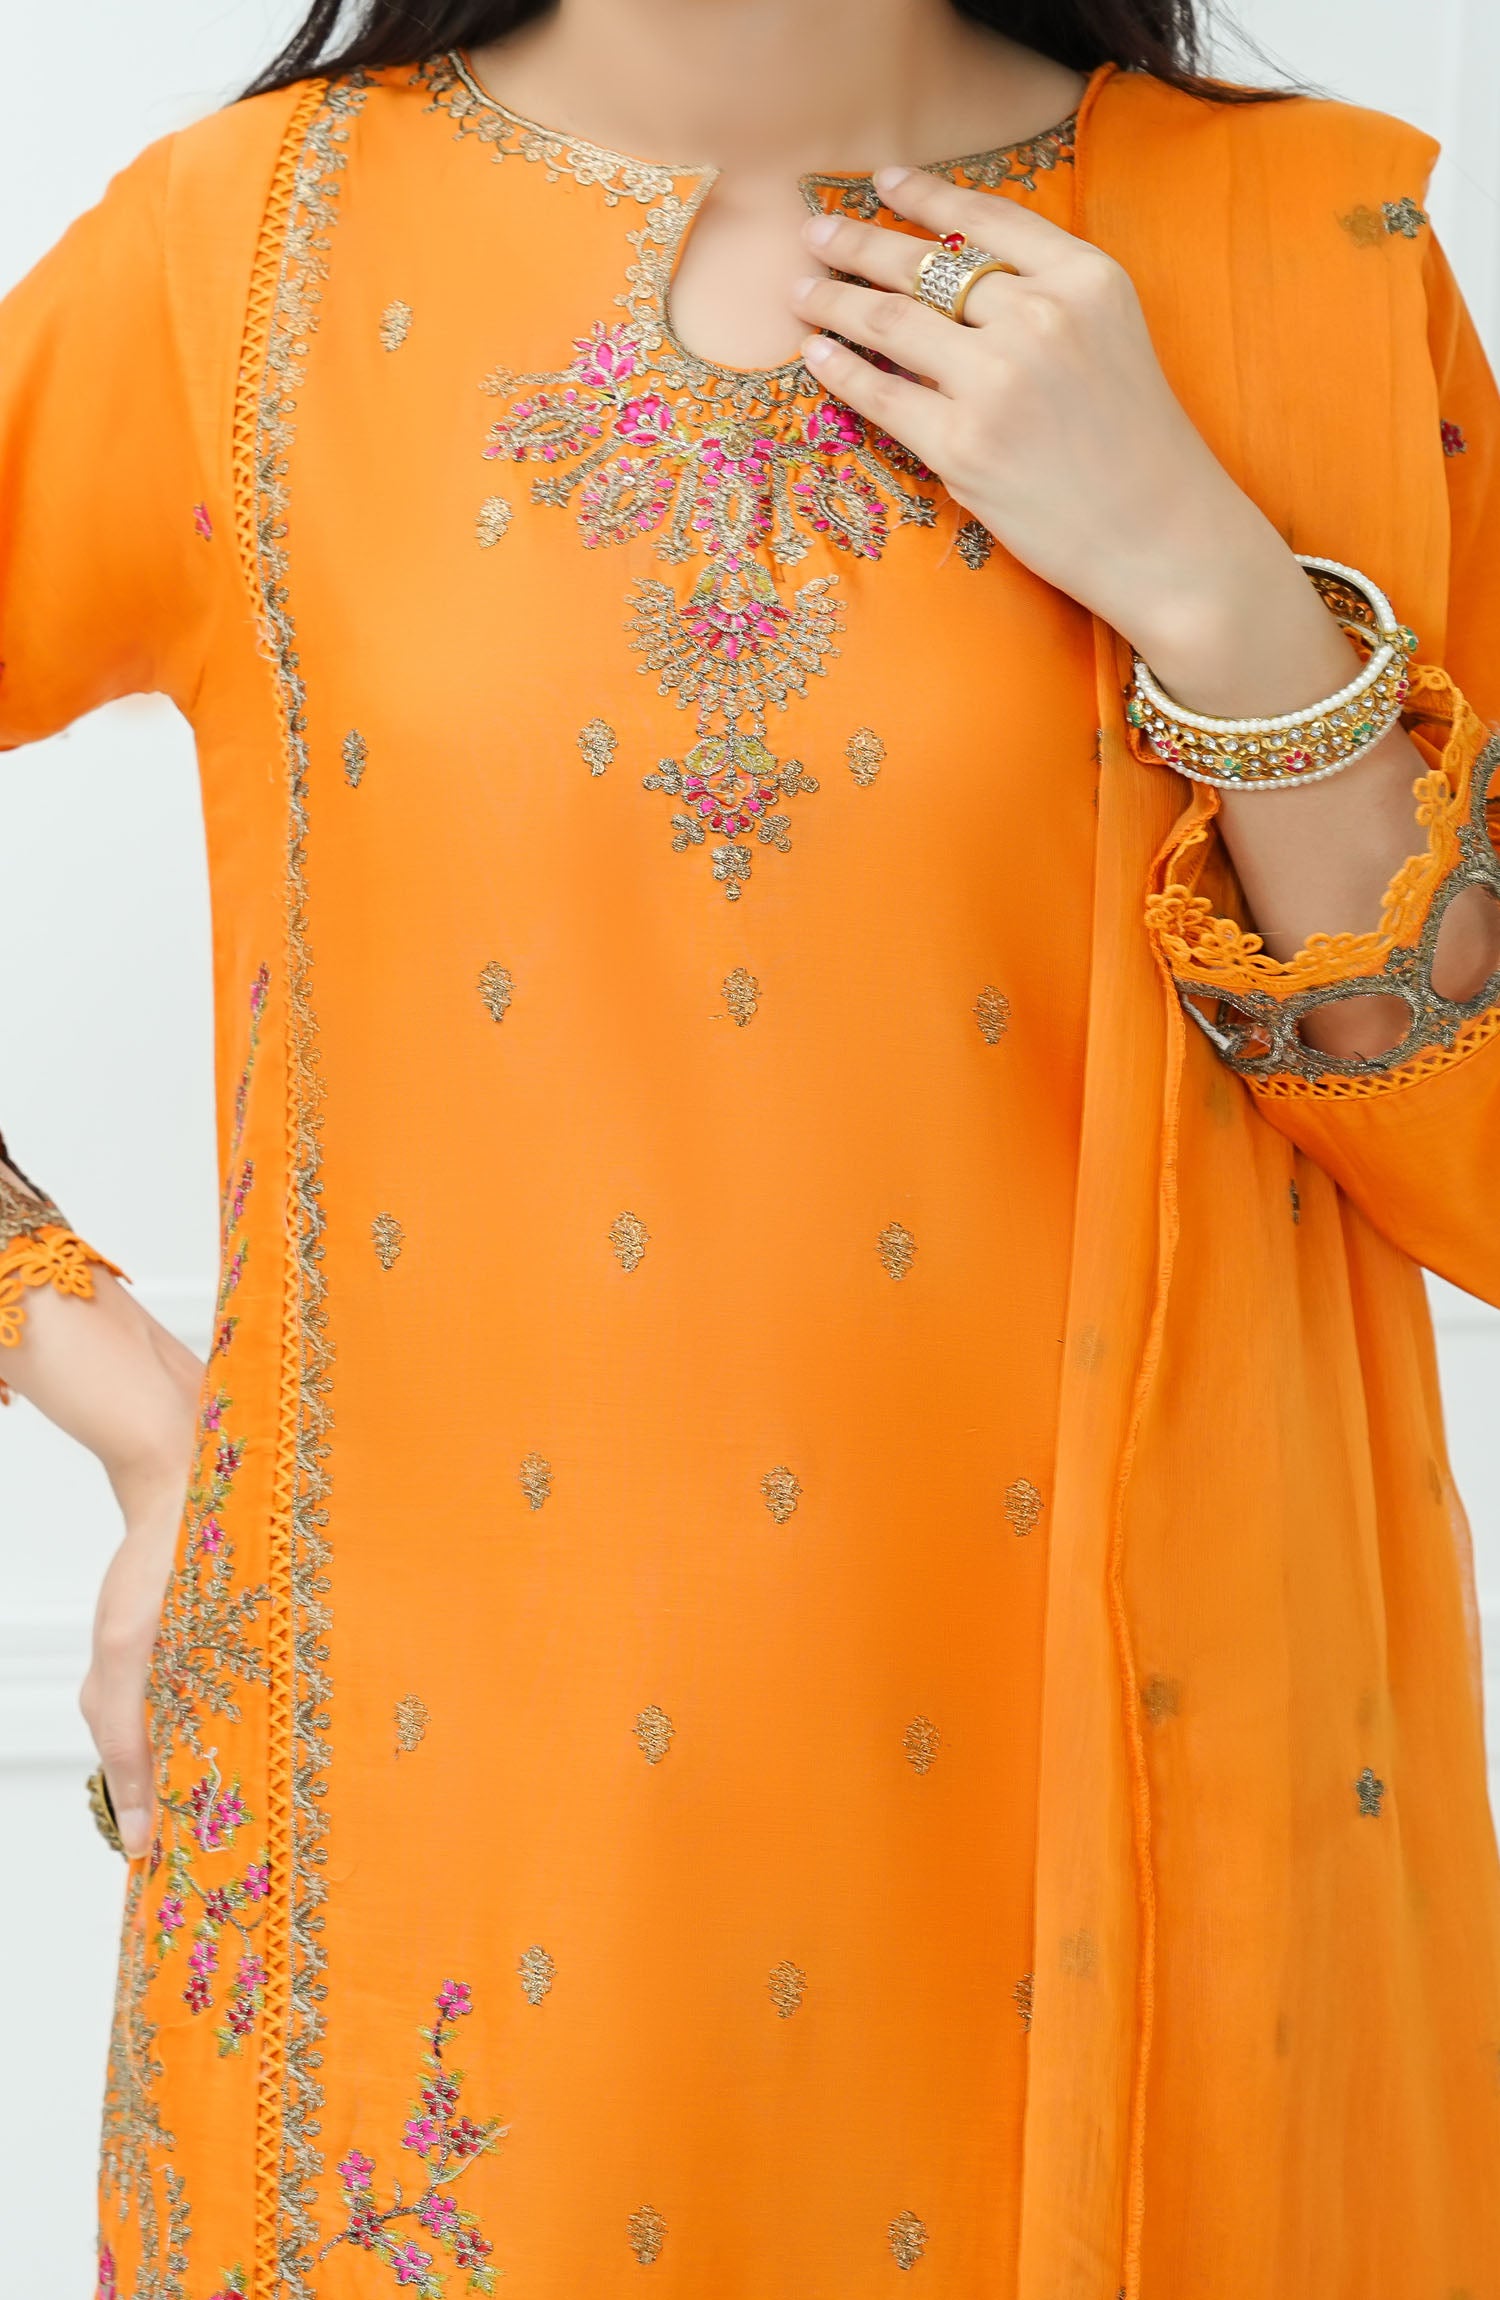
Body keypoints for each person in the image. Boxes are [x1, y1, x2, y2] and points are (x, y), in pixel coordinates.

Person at [3, 0, 1498, 2291]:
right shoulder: (247, 253)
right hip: (438, 1884)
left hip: (1126, 1875)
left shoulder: (1299, 253)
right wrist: (128, 1406)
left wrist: (1212, 584)